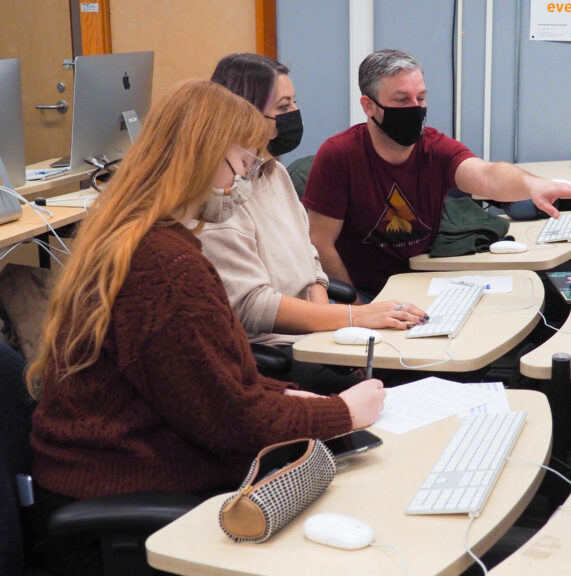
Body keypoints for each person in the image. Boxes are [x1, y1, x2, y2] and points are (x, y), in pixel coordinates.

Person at [24, 79, 385, 576]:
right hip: (128, 496)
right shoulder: (165, 267)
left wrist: (287, 396)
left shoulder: (139, 236)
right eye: (241, 164)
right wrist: (342, 413)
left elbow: (208, 376)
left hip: (117, 467)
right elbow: (229, 419)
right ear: (203, 158)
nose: (241, 181)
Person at [200, 53, 427, 389]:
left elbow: (311, 260)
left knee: (419, 354)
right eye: (283, 106)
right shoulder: (220, 192)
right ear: (243, 113)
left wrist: (328, 331)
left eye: (294, 103)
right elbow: (252, 306)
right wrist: (351, 318)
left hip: (313, 337)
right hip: (274, 351)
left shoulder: (272, 170)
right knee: (407, 378)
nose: (293, 114)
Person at [303, 48, 571, 299]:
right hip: (366, 292)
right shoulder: (339, 155)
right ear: (369, 106)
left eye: (420, 98)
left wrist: (533, 185)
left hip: (424, 278)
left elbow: (487, 175)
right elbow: (320, 242)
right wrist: (355, 306)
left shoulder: (434, 147)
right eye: (401, 100)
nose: (415, 108)